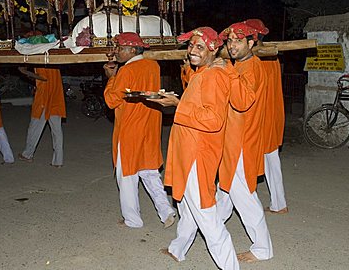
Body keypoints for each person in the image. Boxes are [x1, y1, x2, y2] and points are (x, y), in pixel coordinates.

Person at [152, 27, 240, 270]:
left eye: (199, 46)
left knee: (206, 214)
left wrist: (178, 104)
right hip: (189, 150)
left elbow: (213, 119)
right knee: (187, 207)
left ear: (212, 49)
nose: (192, 50)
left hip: (197, 154)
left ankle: (230, 266)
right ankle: (178, 249)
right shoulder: (204, 72)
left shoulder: (214, 76)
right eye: (191, 45)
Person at [103, 32, 176, 229]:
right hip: (150, 126)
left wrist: (111, 78)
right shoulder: (153, 65)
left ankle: (133, 220)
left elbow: (111, 101)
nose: (116, 51)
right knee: (150, 172)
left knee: (127, 175)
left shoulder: (126, 71)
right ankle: (166, 211)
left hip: (130, 128)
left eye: (120, 48)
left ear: (132, 50)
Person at [216, 20, 274, 263]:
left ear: (252, 43)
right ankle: (206, 228)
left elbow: (240, 102)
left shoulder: (251, 67)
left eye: (238, 41)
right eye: (229, 41)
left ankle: (262, 248)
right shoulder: (240, 65)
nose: (232, 45)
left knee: (244, 197)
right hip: (231, 140)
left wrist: (227, 70)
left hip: (241, 142)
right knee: (225, 193)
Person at [245, 19, 288, 214]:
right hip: (271, 116)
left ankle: (245, 206)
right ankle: (279, 204)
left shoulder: (257, 60)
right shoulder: (271, 58)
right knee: (272, 162)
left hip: (260, 117)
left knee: (244, 164)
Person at [18, 67, 66, 167]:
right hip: (55, 99)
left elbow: (43, 78)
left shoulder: (40, 60)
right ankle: (58, 161)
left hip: (44, 100)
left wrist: (25, 72)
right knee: (57, 131)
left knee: (34, 129)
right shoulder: (54, 61)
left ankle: (27, 154)